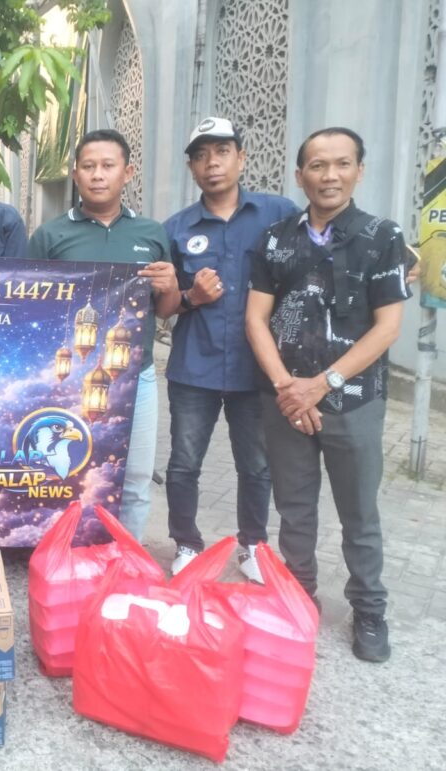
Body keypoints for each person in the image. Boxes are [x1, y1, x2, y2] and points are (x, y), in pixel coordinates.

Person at [245, 127, 412, 663]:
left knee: (358, 514)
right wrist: (285, 387)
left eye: (342, 164)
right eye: (317, 165)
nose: (330, 175)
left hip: (353, 400)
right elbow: (256, 318)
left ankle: (369, 610)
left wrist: (321, 384)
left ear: (359, 170)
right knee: (294, 510)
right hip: (285, 401)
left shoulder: (382, 236)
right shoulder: (275, 239)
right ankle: (298, 598)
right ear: (300, 176)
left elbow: (387, 327)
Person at [163, 118, 299, 581]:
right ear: (191, 167)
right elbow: (164, 306)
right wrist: (191, 297)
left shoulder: (278, 213)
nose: (212, 163)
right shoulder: (176, 229)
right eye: (201, 156)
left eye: (222, 152)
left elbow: (316, 255)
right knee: (184, 463)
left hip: (257, 368)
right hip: (193, 368)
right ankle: (186, 543)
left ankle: (253, 545)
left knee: (256, 466)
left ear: (241, 157)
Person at [27, 129, 179, 541]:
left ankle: (127, 556)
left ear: (127, 172)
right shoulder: (50, 236)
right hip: (71, 379)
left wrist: (171, 286)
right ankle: (62, 551)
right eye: (89, 166)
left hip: (137, 378)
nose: (98, 175)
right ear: (75, 174)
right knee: (68, 471)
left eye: (108, 166)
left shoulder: (150, 233)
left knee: (135, 477)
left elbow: (166, 310)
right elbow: (31, 307)